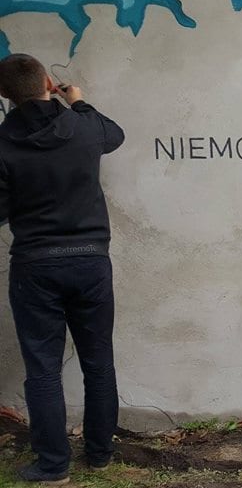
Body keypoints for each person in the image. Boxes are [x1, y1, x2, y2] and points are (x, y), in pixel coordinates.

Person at [0, 54, 124, 484]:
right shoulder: (84, 126)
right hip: (90, 260)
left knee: (43, 370)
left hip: (35, 266)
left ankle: (53, 467)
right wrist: (80, 103)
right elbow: (116, 135)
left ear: (4, 96)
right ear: (49, 83)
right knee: (99, 362)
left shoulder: (2, 142)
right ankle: (100, 453)